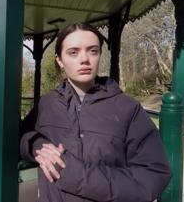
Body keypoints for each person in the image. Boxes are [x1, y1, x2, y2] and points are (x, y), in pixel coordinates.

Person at [19, 23, 171, 202]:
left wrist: (77, 176)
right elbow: (20, 136)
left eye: (92, 51)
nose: (84, 59)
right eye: (73, 52)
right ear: (59, 60)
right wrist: (38, 146)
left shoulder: (127, 109)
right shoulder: (47, 104)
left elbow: (152, 175)